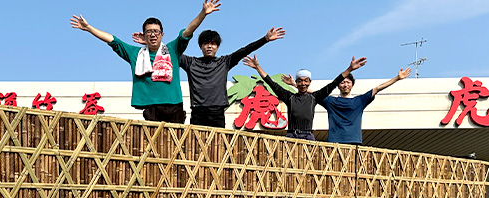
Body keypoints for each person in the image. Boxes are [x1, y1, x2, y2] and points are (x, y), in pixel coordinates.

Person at [70, 1, 220, 124]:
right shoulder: (136, 53)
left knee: (175, 147)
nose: (153, 34)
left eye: (156, 31)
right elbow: (113, 40)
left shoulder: (172, 49)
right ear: (144, 35)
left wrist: (203, 14)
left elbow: (187, 32)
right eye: (149, 32)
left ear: (162, 35)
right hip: (151, 107)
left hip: (174, 106)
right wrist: (89, 28)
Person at [135, 26, 285, 127]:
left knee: (217, 149)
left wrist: (265, 38)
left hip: (217, 112)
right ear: (200, 46)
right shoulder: (190, 62)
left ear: (217, 46)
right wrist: (150, 44)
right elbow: (170, 53)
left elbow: (243, 50)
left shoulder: (224, 62)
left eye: (213, 44)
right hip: (198, 112)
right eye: (206, 43)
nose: (209, 46)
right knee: (195, 150)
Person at [242, 54, 366, 140]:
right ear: (296, 82)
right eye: (300, 81)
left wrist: (350, 69)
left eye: (306, 81)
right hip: (291, 135)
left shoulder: (314, 97)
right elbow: (272, 84)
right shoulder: (289, 97)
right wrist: (258, 67)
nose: (303, 84)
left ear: (310, 82)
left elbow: (333, 83)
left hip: (308, 136)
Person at [319, 66, 412, 144]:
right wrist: (304, 85)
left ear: (352, 85)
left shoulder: (359, 101)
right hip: (334, 143)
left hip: (354, 142)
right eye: (342, 82)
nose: (345, 85)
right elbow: (314, 94)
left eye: (348, 82)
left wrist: (397, 78)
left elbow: (377, 89)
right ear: (338, 86)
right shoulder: (330, 101)